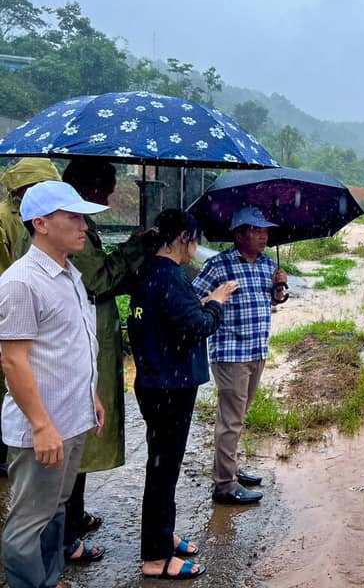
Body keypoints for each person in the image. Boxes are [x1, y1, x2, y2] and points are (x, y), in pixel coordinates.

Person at [0, 180, 107, 588]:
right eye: (74, 217)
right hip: (42, 426)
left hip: (71, 416)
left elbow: (69, 345)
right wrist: (42, 426)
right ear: (41, 223)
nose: (84, 226)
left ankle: (50, 578)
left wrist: (91, 394)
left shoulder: (68, 274)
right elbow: (13, 360)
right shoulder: (22, 282)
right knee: (29, 521)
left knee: (57, 508)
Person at [128, 209, 238, 581]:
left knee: (164, 466)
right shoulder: (172, 276)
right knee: (163, 471)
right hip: (170, 387)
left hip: (154, 381)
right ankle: (156, 558)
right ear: (182, 239)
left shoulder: (148, 270)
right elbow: (196, 327)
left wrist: (202, 302)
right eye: (194, 240)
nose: (196, 248)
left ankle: (163, 535)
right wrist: (217, 302)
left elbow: (170, 318)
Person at [59, 158, 151, 563]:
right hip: (82, 346)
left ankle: (73, 518)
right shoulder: (69, 227)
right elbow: (97, 280)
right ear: (89, 188)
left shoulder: (82, 226)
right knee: (76, 438)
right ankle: (65, 535)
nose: (112, 194)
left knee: (83, 435)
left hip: (95, 341)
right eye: (108, 186)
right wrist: (136, 247)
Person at [193, 206, 287, 505]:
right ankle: (224, 485)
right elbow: (194, 299)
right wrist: (215, 298)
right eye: (257, 231)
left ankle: (229, 468)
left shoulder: (266, 264)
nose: (264, 236)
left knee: (240, 415)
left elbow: (273, 299)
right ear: (239, 234)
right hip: (231, 353)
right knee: (231, 420)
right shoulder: (219, 266)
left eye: (265, 231)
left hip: (257, 350)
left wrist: (279, 287)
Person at [0, 158, 61, 478]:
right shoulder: (5, 218)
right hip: (15, 305)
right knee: (14, 374)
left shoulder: (35, 216)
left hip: (32, 303)